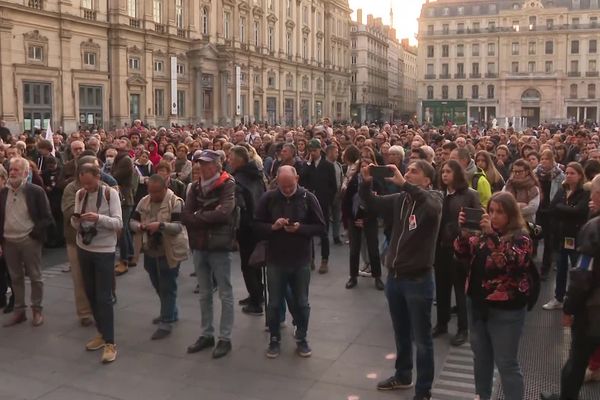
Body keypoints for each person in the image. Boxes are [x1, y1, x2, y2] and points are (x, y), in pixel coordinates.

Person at [360, 161, 443, 400]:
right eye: (407, 171)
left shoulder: (434, 197)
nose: (406, 174)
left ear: (427, 180)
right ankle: (403, 375)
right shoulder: (400, 200)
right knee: (401, 332)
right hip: (395, 278)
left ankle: (423, 390)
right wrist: (366, 183)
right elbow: (372, 204)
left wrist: (405, 184)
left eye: (413, 172)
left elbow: (434, 209)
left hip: (418, 280)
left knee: (422, 338)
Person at [455, 191, 535, 400]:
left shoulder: (521, 237)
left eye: (500, 212)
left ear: (511, 214)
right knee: (481, 357)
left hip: (506, 310)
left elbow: (510, 262)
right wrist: (463, 233)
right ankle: (482, 395)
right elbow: (461, 254)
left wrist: (490, 235)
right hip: (478, 304)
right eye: (491, 210)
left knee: (506, 362)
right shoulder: (481, 234)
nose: (494, 215)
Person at [254, 165, 326, 359]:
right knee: (274, 302)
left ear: (297, 179)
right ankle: (274, 338)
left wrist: (301, 229)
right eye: (282, 186)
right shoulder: (269, 198)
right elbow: (256, 225)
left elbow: (320, 227)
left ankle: (302, 336)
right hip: (276, 258)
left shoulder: (308, 198)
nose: (286, 190)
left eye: (290, 185)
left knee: (302, 302)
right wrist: (272, 227)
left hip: (300, 259)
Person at [541, 175, 600, 400]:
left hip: (592, 312)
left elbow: (582, 274)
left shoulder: (594, 228)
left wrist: (569, 308)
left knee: (576, 361)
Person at [183, 150, 237, 359]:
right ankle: (207, 334)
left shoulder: (227, 183)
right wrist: (205, 215)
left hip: (219, 245)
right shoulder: (195, 186)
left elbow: (224, 212)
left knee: (225, 291)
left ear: (216, 165)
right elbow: (186, 215)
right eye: (200, 164)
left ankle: (225, 338)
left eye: (206, 164)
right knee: (205, 292)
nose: (201, 168)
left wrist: (199, 215)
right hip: (199, 244)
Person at [72, 164, 122, 363]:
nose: (87, 187)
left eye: (90, 184)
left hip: (104, 250)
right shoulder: (80, 194)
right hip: (84, 247)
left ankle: (110, 342)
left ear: (98, 177)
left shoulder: (111, 194)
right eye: (83, 184)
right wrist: (77, 221)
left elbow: (118, 223)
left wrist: (98, 218)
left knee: (104, 296)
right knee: (90, 293)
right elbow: (75, 222)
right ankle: (101, 333)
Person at [130, 174, 188, 340]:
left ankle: (166, 320)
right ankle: (170, 311)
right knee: (156, 282)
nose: (153, 195)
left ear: (165, 188)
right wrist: (140, 226)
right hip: (150, 248)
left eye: (156, 192)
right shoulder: (144, 201)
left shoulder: (175, 202)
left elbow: (178, 227)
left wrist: (161, 226)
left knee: (168, 284)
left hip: (169, 250)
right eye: (151, 191)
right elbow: (132, 222)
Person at [1, 157, 53, 327]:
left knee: (36, 276)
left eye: (16, 169)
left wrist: (34, 234)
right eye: (11, 169)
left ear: (25, 172)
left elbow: (47, 217)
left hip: (29, 240)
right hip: (9, 241)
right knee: (15, 277)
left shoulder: (35, 191)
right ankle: (19, 311)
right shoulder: (3, 193)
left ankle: (37, 310)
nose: (12, 172)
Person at [433, 160, 481, 346]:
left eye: (448, 171)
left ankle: (463, 328)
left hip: (460, 249)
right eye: (443, 171)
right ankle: (442, 323)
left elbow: (475, 223)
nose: (444, 175)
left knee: (460, 290)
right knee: (441, 288)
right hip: (440, 247)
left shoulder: (470, 195)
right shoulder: (438, 194)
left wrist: (462, 232)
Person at [543, 162, 590, 310]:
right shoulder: (563, 190)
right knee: (561, 268)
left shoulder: (584, 192)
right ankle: (558, 297)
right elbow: (552, 208)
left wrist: (563, 208)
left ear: (580, 175)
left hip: (577, 236)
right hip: (561, 236)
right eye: (567, 173)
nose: (569, 176)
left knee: (577, 270)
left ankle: (577, 300)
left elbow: (579, 211)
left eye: (572, 173)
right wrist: (567, 209)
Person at [228, 145, 266, 315]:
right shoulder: (255, 174)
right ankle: (256, 294)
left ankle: (256, 302)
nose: (228, 161)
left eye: (230, 158)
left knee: (248, 265)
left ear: (238, 161)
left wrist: (235, 229)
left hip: (247, 226)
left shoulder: (239, 180)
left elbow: (239, 207)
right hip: (259, 223)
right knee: (256, 262)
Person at [343, 157, 385, 290]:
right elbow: (346, 203)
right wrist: (353, 220)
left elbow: (380, 204)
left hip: (370, 220)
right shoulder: (353, 182)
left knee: (373, 249)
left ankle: (377, 276)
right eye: (362, 166)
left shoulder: (376, 183)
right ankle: (353, 276)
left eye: (367, 166)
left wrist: (366, 220)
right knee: (354, 250)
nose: (364, 169)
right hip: (354, 219)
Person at [300, 139, 337, 273]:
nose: (313, 153)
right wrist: (308, 163)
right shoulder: (307, 165)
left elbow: (333, 185)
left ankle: (324, 260)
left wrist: (329, 199)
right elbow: (302, 178)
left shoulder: (327, 165)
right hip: (308, 202)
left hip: (322, 202)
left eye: (315, 150)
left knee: (323, 232)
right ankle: (310, 259)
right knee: (308, 232)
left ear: (319, 150)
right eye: (311, 151)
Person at [534, 149, 565, 280]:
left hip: (551, 210)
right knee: (534, 235)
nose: (544, 161)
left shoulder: (559, 175)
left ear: (552, 160)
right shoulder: (535, 173)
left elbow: (561, 194)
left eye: (547, 159)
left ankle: (545, 268)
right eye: (542, 159)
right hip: (538, 208)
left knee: (549, 240)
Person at [112, 138, 136, 276]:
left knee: (121, 229)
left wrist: (109, 174)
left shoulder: (125, 159)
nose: (118, 142)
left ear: (127, 146)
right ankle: (130, 255)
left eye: (122, 141)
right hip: (123, 197)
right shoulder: (119, 158)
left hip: (125, 198)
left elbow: (116, 177)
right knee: (125, 229)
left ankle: (124, 261)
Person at [503, 159, 540, 224]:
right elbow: (502, 201)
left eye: (520, 171)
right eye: (514, 171)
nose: (517, 174)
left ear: (527, 172)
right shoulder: (509, 184)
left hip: (527, 223)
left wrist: (511, 209)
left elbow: (532, 208)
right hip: (509, 223)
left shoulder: (533, 188)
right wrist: (519, 205)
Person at [0, 165, 13, 314]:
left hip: (9, 237)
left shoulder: (8, 194)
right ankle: (1, 297)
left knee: (12, 272)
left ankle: (15, 300)